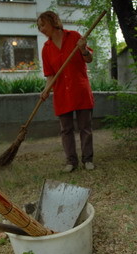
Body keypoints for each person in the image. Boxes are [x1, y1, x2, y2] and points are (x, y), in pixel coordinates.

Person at [37, 11, 95, 172]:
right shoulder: (46, 49)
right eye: (39, 27)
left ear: (53, 21)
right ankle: (71, 162)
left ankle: (88, 160)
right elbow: (50, 75)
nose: (41, 29)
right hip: (62, 92)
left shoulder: (74, 36)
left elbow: (88, 59)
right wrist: (46, 90)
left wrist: (83, 49)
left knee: (85, 127)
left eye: (43, 25)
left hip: (80, 89)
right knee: (66, 129)